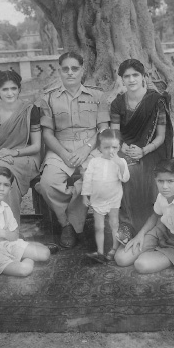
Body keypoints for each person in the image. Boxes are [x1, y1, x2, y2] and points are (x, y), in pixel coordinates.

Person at [37, 52, 110, 249]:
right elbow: (47, 134)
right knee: (47, 183)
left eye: (74, 68)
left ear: (82, 70)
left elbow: (103, 129)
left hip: (91, 147)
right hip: (60, 148)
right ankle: (66, 224)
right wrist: (63, 153)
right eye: (65, 69)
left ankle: (72, 226)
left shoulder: (97, 95)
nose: (70, 73)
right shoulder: (49, 98)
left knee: (93, 178)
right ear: (59, 71)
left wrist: (86, 149)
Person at [110, 58, 173, 235]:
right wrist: (124, 148)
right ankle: (127, 224)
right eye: (127, 76)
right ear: (121, 79)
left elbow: (161, 137)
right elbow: (115, 135)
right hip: (125, 148)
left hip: (151, 150)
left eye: (135, 75)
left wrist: (143, 150)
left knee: (140, 171)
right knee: (121, 170)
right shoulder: (117, 104)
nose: (131, 80)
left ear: (143, 76)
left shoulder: (156, 101)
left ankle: (152, 227)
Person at [115, 159, 174, 280]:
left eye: (170, 181)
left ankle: (157, 254)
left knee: (141, 264)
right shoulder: (162, 195)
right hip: (161, 232)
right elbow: (154, 216)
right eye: (160, 181)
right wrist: (140, 235)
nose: (165, 186)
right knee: (121, 259)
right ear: (155, 181)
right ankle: (133, 237)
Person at [0, 69, 41, 226]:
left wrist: (12, 152)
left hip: (27, 157)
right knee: (1, 172)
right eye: (5, 89)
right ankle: (1, 227)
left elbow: (36, 146)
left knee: (0, 172)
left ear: (19, 89)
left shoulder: (29, 110)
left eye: (13, 88)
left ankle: (10, 230)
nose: (10, 93)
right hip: (1, 158)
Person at [0, 167, 50, 276]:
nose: (1, 188)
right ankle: (23, 258)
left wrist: (1, 233)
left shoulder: (5, 207)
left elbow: (14, 236)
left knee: (45, 253)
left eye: (6, 185)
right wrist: (7, 234)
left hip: (7, 244)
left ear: (10, 189)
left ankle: (22, 254)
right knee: (24, 270)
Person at [81, 129, 130, 263]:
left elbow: (125, 178)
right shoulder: (94, 162)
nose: (110, 151)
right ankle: (100, 251)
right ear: (99, 148)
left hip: (113, 198)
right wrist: (85, 195)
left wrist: (120, 164)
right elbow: (87, 180)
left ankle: (114, 248)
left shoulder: (121, 162)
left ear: (119, 147)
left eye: (114, 147)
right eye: (106, 147)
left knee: (114, 223)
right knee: (99, 226)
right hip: (97, 199)